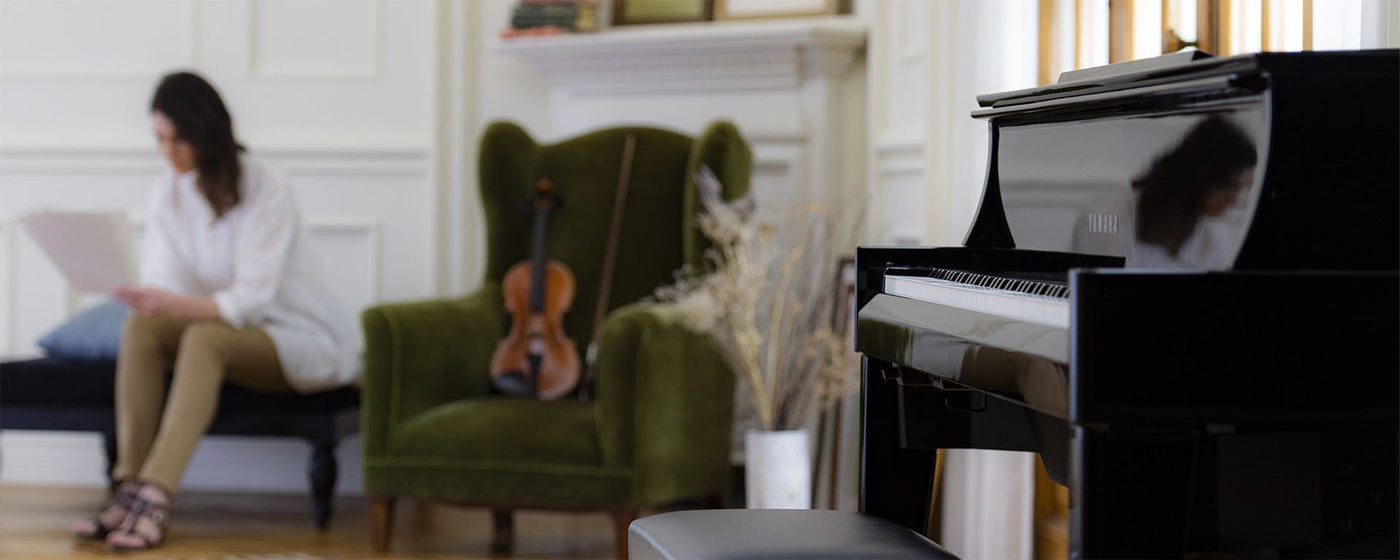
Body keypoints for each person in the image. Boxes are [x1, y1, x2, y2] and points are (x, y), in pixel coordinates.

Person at [69, 71, 361, 551]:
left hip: (294, 336)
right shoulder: (168, 191)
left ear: (207, 132)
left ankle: (157, 494)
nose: (168, 151)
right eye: (159, 139)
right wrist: (146, 297)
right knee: (141, 328)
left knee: (207, 338)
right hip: (225, 327)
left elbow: (251, 301)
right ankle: (127, 489)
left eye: (178, 138)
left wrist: (174, 303)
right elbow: (168, 284)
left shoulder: (265, 184)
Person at [1129, 115, 1258, 268]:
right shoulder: (1119, 212)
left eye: (1242, 188)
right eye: (1229, 186)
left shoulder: (1215, 239)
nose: (1234, 199)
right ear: (1202, 176)